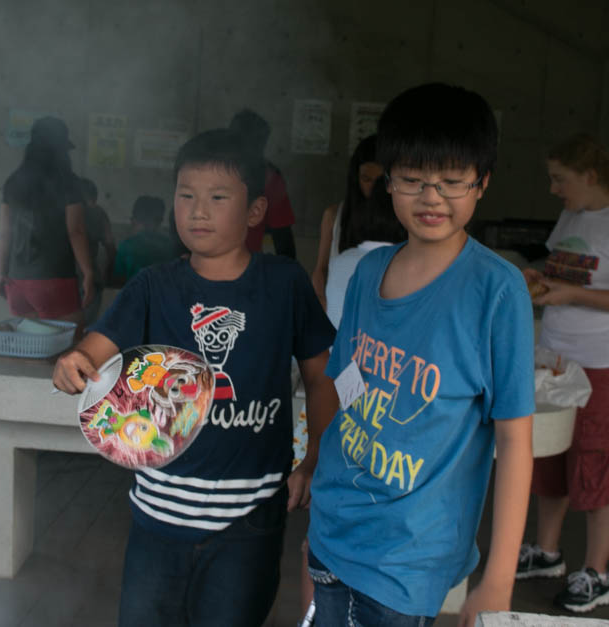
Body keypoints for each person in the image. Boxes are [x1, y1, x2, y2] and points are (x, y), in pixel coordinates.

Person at [51, 128, 339, 627]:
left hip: (248, 524)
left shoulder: (284, 284)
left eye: (217, 197)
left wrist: (315, 458)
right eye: (186, 196)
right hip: (158, 518)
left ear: (254, 212)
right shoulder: (153, 287)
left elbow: (321, 378)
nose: (198, 210)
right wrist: (72, 364)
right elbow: (92, 354)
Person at [306, 83, 536, 627]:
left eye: (452, 181)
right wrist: (312, 461)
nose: (431, 197)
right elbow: (349, 381)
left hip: (408, 557)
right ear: (387, 183)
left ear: (482, 184)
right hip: (333, 525)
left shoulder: (497, 291)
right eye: (412, 180)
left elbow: (513, 439)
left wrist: (498, 577)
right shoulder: (367, 272)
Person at [516, 133, 609, 613]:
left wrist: (572, 295)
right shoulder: (573, 216)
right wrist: (543, 280)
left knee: (597, 462)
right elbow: (568, 272)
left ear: (590, 176)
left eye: (561, 179)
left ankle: (597, 574)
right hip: (555, 359)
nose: (555, 189)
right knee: (550, 457)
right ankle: (547, 553)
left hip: (605, 364)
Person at [295, 148, 406, 617]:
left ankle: (315, 612)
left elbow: (342, 358)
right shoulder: (402, 266)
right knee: (376, 513)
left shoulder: (350, 266)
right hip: (388, 409)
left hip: (345, 393)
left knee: (329, 513)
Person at [0, 117, 94, 323]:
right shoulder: (68, 182)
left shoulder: (13, 182)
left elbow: (5, 232)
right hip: (54, 280)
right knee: (69, 348)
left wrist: (1, 272)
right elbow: (75, 230)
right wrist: (88, 272)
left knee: (27, 349)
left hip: (17, 281)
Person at [310, 134, 385, 309]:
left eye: (380, 181)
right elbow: (321, 270)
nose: (373, 188)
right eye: (366, 179)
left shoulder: (403, 218)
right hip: (339, 311)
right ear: (355, 177)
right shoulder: (335, 215)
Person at [229, 108, 297, 258]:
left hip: (242, 264)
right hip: (243, 265)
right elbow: (283, 236)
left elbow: (282, 234)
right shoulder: (269, 175)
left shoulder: (269, 177)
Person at [78, 177, 116, 324]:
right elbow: (110, 248)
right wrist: (108, 275)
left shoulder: (62, 211)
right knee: (85, 329)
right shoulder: (98, 213)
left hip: (61, 280)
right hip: (90, 281)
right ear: (93, 196)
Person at [112, 195, 175, 282]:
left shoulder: (126, 246)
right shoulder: (170, 246)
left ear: (133, 220)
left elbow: (118, 279)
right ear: (160, 221)